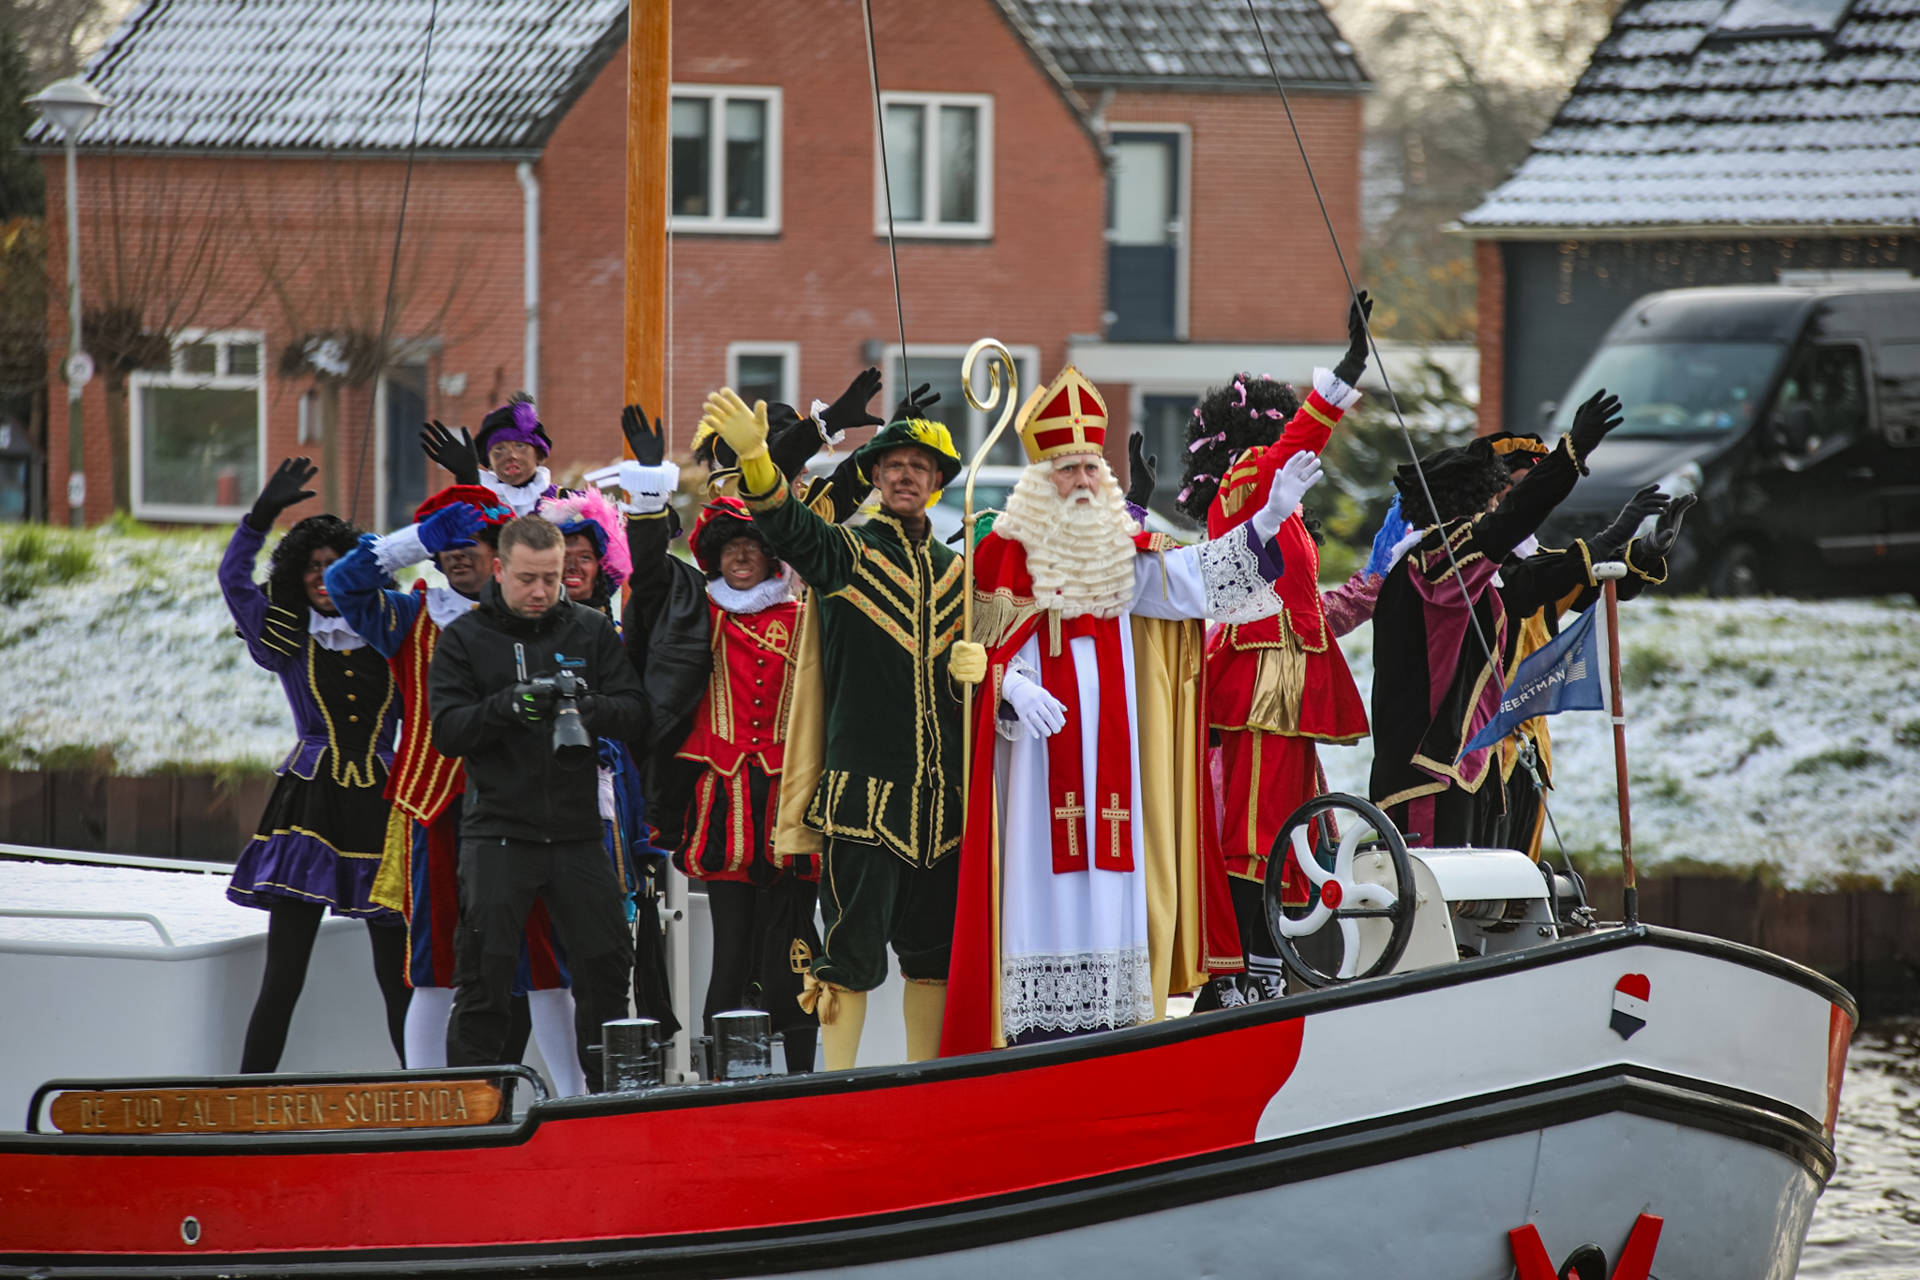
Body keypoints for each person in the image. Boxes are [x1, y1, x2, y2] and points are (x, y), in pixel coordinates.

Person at [942, 366, 1293, 1052]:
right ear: (1040, 476)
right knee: (1036, 883)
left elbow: (1190, 585)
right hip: (1032, 769)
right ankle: (1034, 1030)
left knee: (1112, 879)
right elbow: (965, 659)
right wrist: (1009, 688)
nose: (1080, 481)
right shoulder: (999, 551)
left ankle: (1108, 1029)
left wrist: (1268, 521)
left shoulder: (1120, 552)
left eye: (1088, 467)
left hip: (1113, 768)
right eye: (1066, 468)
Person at [700, 385, 972, 1069]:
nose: (905, 475)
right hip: (864, 805)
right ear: (875, 479)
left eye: (919, 467)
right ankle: (841, 1084)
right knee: (847, 956)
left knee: (934, 956)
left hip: (945, 808)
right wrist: (759, 461)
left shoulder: (958, 574)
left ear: (937, 484)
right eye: (893, 466)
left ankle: (929, 1084)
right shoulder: (846, 554)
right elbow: (786, 525)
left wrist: (986, 669)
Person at [321, 484, 593, 1095]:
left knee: (548, 966)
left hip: (528, 812)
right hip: (437, 811)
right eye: (446, 545)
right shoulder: (409, 617)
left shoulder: (536, 614)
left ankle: (576, 1101)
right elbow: (344, 585)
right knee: (436, 968)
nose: (459, 556)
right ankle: (426, 1104)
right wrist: (413, 541)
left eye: (472, 542)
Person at [1173, 293, 1376, 1001]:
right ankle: (1241, 972)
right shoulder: (1255, 475)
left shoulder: (1271, 500)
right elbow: (1300, 444)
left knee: (1275, 830)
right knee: (1257, 830)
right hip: (1264, 678)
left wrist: (1374, 583)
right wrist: (1340, 382)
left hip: (1281, 676)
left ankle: (1254, 968)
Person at [428, 515, 644, 1090]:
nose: (543, 591)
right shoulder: (464, 639)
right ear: (498, 570)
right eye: (528, 578)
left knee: (607, 964)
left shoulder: (591, 630)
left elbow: (637, 712)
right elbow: (446, 731)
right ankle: (473, 1109)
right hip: (498, 831)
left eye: (552, 578)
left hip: (576, 832)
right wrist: (509, 706)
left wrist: (587, 707)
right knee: (485, 975)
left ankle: (608, 1100)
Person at [1368, 389, 1628, 846]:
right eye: (1490, 502)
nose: (1495, 510)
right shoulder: (1432, 559)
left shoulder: (1472, 574)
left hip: (1466, 768)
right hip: (1424, 773)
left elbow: (1535, 583)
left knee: (1481, 905)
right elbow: (1510, 524)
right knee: (1439, 905)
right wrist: (1571, 454)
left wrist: (1626, 545)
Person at [623, 472, 819, 1074]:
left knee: (794, 946)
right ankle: (731, 1081)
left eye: (753, 543)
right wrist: (648, 505)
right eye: (730, 545)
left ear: (771, 554)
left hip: (791, 798)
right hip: (723, 797)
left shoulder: (807, 614)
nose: (741, 554)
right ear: (713, 556)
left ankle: (804, 1077)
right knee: (731, 951)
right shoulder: (697, 612)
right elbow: (649, 578)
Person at [220, 457, 410, 1073]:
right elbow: (233, 578)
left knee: (398, 974)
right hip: (309, 806)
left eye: (335, 567)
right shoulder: (289, 634)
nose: (322, 578)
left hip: (384, 802)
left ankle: (430, 1097)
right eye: (310, 568)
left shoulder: (396, 630)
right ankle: (247, 1099)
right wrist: (260, 518)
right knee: (284, 975)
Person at [1486, 440, 1696, 856]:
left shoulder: (1538, 560)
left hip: (1530, 744)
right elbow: (1545, 576)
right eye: (1515, 489)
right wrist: (1613, 533)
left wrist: (1646, 550)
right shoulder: (1473, 564)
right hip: (1477, 749)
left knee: (1519, 875)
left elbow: (1593, 579)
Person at [420, 393, 558, 517]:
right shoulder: (481, 500)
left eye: (519, 446)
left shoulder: (563, 500)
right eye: (499, 449)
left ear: (539, 455)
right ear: (490, 462)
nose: (511, 456)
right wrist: (468, 480)